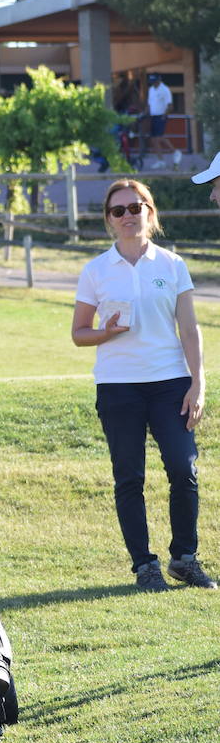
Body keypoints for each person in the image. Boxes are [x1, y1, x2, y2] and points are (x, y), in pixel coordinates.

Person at [71, 178, 214, 592]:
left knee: (184, 470)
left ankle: (184, 559)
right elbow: (79, 333)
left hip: (171, 383)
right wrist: (106, 332)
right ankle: (144, 566)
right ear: (109, 221)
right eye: (119, 211)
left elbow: (189, 328)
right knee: (129, 477)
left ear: (150, 213)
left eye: (136, 207)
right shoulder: (95, 270)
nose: (128, 216)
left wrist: (197, 383)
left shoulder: (172, 264)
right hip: (119, 387)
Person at [143, 74, 173, 166]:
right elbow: (149, 104)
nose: (153, 83)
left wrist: (164, 115)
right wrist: (144, 114)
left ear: (159, 80)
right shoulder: (151, 89)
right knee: (153, 139)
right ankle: (161, 160)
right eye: (152, 82)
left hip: (161, 116)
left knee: (158, 137)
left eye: (155, 81)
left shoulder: (165, 90)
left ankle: (174, 151)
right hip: (152, 116)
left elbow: (170, 105)